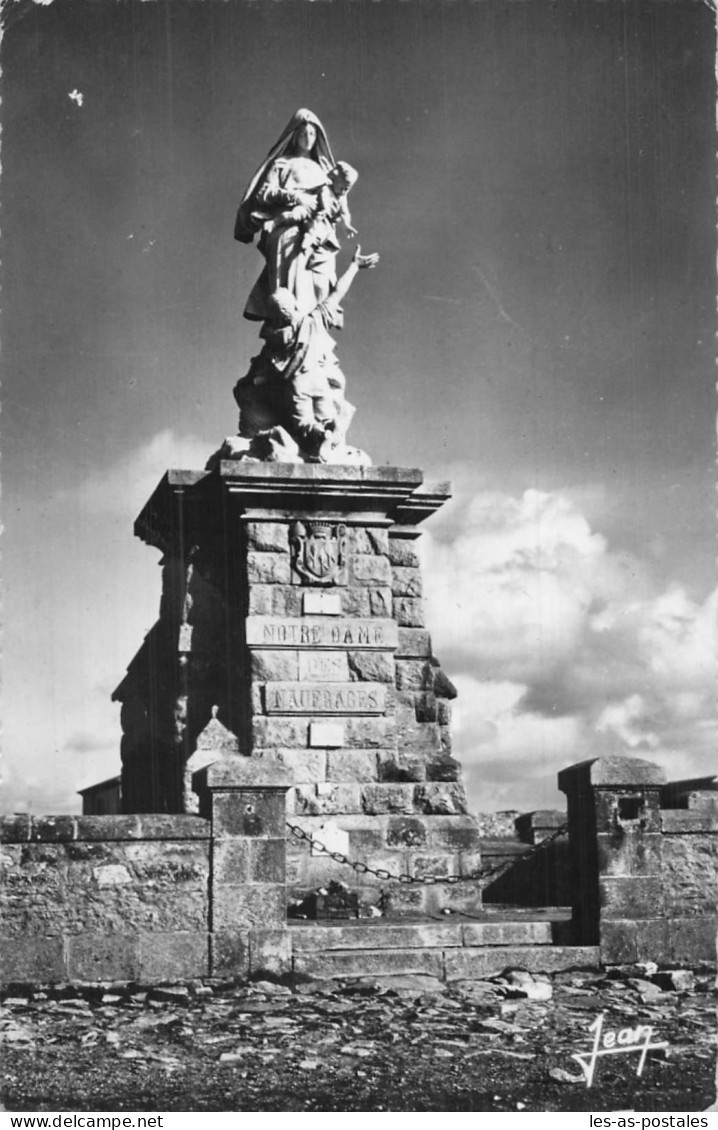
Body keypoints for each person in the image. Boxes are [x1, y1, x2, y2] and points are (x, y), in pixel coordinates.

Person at [234, 245, 379, 460]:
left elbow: (269, 371)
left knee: (304, 425)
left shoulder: (276, 339)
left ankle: (322, 437)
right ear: (293, 308)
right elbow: (337, 293)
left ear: (276, 318)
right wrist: (354, 267)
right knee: (324, 418)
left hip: (298, 385)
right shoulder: (314, 320)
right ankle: (331, 431)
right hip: (318, 379)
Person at [235, 110, 354, 321]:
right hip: (287, 229)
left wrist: (340, 217)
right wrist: (296, 197)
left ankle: (310, 334)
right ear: (294, 135)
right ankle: (287, 334)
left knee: (319, 289)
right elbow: (264, 193)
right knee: (289, 290)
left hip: (320, 235)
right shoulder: (282, 164)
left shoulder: (324, 170)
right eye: (303, 133)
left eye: (312, 134)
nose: (307, 139)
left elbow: (336, 199)